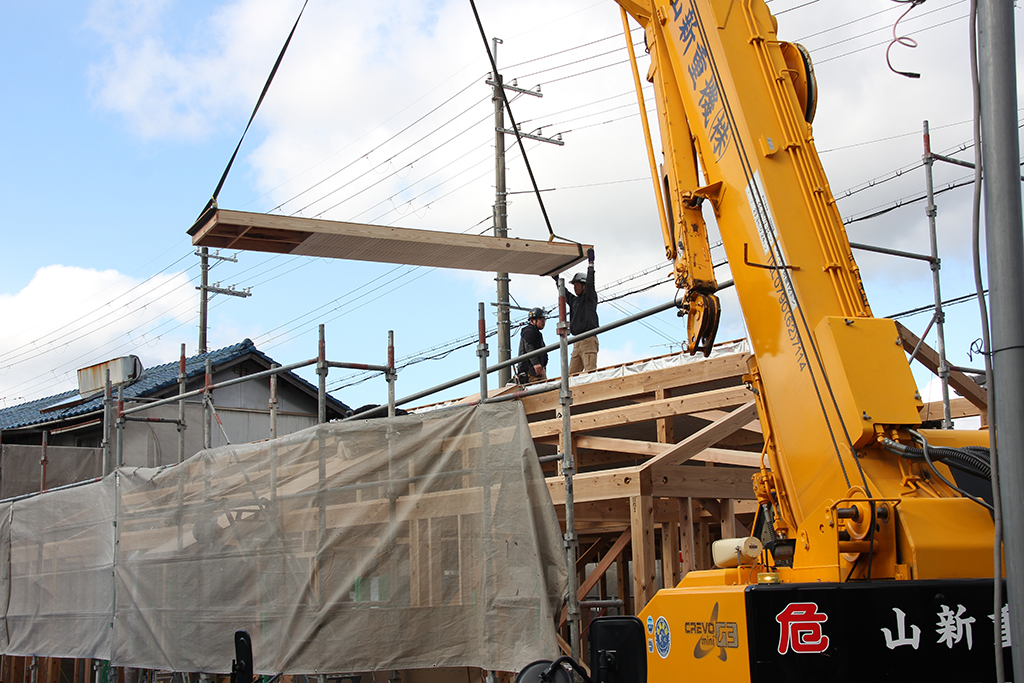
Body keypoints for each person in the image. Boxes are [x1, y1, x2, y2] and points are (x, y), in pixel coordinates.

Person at [566, 248, 599, 373]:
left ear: (584, 285)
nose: (575, 288)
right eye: (574, 286)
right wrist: (556, 279)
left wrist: (591, 264)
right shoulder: (575, 301)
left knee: (590, 372)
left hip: (588, 339)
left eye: (577, 285)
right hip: (577, 341)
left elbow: (591, 283)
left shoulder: (590, 297)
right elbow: (565, 293)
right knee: (570, 376)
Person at [516, 307, 548, 384]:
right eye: (541, 319)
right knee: (540, 393)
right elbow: (529, 348)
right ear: (532, 320)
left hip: (537, 371)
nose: (543, 322)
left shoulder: (536, 333)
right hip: (531, 372)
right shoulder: (529, 331)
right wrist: (536, 363)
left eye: (544, 319)